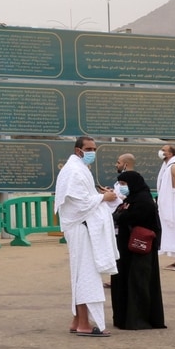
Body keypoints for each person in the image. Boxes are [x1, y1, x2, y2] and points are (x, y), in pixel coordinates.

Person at [54, 137, 119, 337]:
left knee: (80, 273)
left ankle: (77, 321)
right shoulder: (74, 170)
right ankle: (84, 323)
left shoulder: (79, 168)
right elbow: (80, 204)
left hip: (81, 228)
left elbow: (83, 198)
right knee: (87, 274)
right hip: (81, 229)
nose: (92, 152)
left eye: (94, 148)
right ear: (78, 150)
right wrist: (103, 197)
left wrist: (100, 195)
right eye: (88, 148)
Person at [111, 169, 167, 331]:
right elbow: (118, 215)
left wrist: (123, 213)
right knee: (125, 281)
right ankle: (124, 318)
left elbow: (126, 217)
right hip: (127, 248)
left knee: (138, 282)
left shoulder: (143, 201)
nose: (121, 187)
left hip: (140, 249)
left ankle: (139, 319)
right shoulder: (131, 198)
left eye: (124, 184)